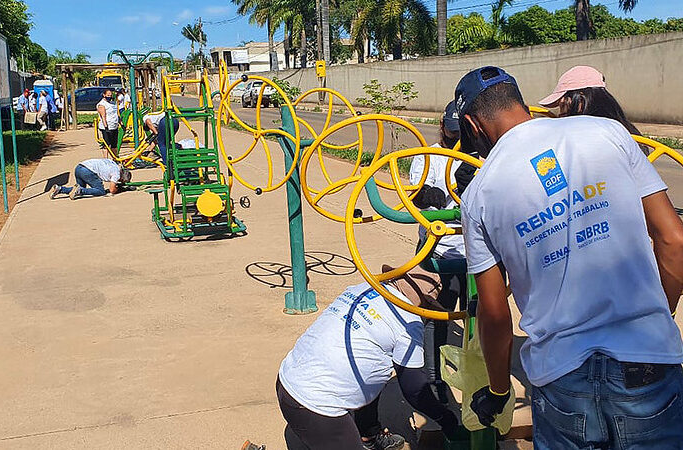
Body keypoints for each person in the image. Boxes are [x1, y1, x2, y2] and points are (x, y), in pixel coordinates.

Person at [452, 66, 683, 449]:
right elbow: (673, 239)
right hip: (647, 360)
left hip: (561, 375)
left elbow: (493, 312)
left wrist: (497, 390)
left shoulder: (477, 195)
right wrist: (656, 314)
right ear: (519, 101)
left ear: (474, 125)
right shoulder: (608, 132)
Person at [277, 268, 461, 450]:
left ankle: (368, 433)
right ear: (426, 305)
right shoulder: (408, 322)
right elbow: (413, 389)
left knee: (375, 364)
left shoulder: (362, 288)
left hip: (287, 381)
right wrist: (445, 418)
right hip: (317, 410)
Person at [407, 100, 465, 402]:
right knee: (437, 312)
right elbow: (414, 194)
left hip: (471, 251)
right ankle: (433, 376)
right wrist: (426, 196)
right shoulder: (428, 156)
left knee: (477, 313)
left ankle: (475, 369)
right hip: (437, 249)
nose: (455, 136)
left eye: (460, 131)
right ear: (442, 126)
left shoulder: (475, 155)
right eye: (451, 130)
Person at [49, 158, 131, 200]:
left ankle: (59, 189)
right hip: (88, 171)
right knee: (100, 191)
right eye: (121, 181)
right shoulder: (117, 173)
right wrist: (120, 189)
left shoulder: (113, 163)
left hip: (79, 167)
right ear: (122, 177)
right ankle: (79, 190)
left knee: (79, 190)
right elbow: (112, 190)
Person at [97, 89, 119, 157]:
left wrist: (120, 122)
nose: (109, 96)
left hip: (114, 126)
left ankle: (115, 159)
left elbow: (116, 114)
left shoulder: (112, 103)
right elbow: (103, 116)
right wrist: (106, 127)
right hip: (107, 127)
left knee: (114, 145)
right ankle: (105, 160)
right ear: (104, 95)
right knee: (106, 145)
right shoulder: (101, 104)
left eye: (110, 95)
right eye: (108, 95)